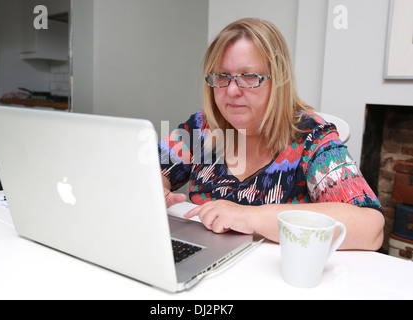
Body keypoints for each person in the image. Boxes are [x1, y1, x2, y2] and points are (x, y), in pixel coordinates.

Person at [158, 18, 384, 251]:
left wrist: (251, 216)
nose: (232, 90)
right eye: (222, 76)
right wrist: (155, 187)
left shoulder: (311, 137)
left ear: (278, 81)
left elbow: (371, 226)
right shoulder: (203, 127)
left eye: (249, 76)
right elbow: (150, 171)